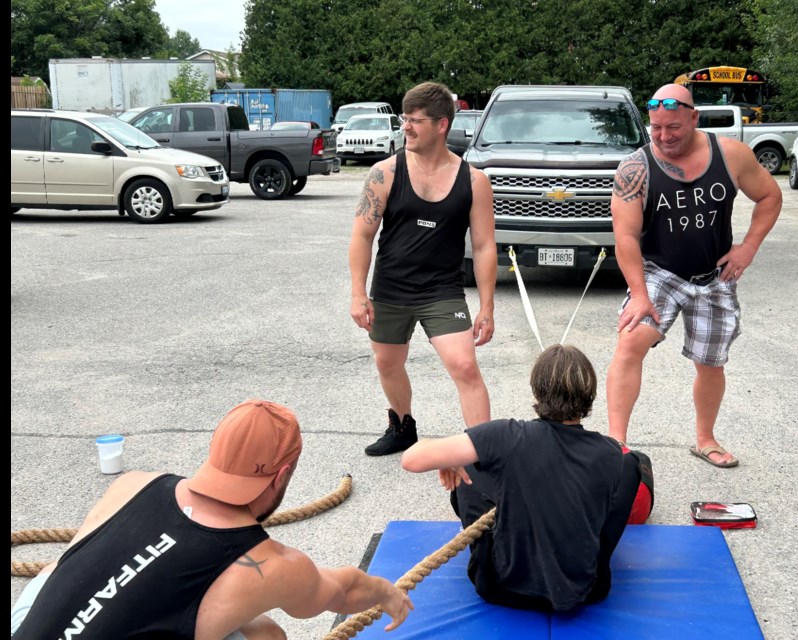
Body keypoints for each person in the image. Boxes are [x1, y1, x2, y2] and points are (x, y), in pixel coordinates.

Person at [10, 400, 413, 639]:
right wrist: (388, 593)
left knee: (53, 572)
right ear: (282, 474)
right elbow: (341, 592)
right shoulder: (272, 566)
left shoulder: (133, 483)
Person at [606, 84, 782, 468]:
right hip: (659, 272)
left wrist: (748, 247)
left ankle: (705, 439)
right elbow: (625, 238)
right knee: (630, 342)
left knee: (711, 361)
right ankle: (615, 444)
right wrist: (639, 294)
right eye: (656, 128)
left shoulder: (731, 156)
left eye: (673, 128)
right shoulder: (635, 168)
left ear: (693, 118)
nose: (664, 137)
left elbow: (770, 197)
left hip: (713, 275)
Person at [400, 344, 654, 611]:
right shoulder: (610, 453)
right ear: (590, 395)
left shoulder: (505, 436)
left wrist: (451, 458)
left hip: (499, 587)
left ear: (536, 392)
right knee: (633, 464)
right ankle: (591, 556)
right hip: (587, 590)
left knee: (471, 469)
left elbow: (411, 459)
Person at [349, 81, 497, 457]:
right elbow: (362, 235)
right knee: (388, 362)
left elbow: (483, 246)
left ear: (442, 124)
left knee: (464, 366)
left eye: (416, 121)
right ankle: (402, 426)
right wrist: (358, 293)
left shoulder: (474, 181)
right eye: (405, 119)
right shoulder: (385, 173)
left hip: (442, 290)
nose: (407, 128)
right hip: (391, 288)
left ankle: (481, 452)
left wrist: (487, 307)